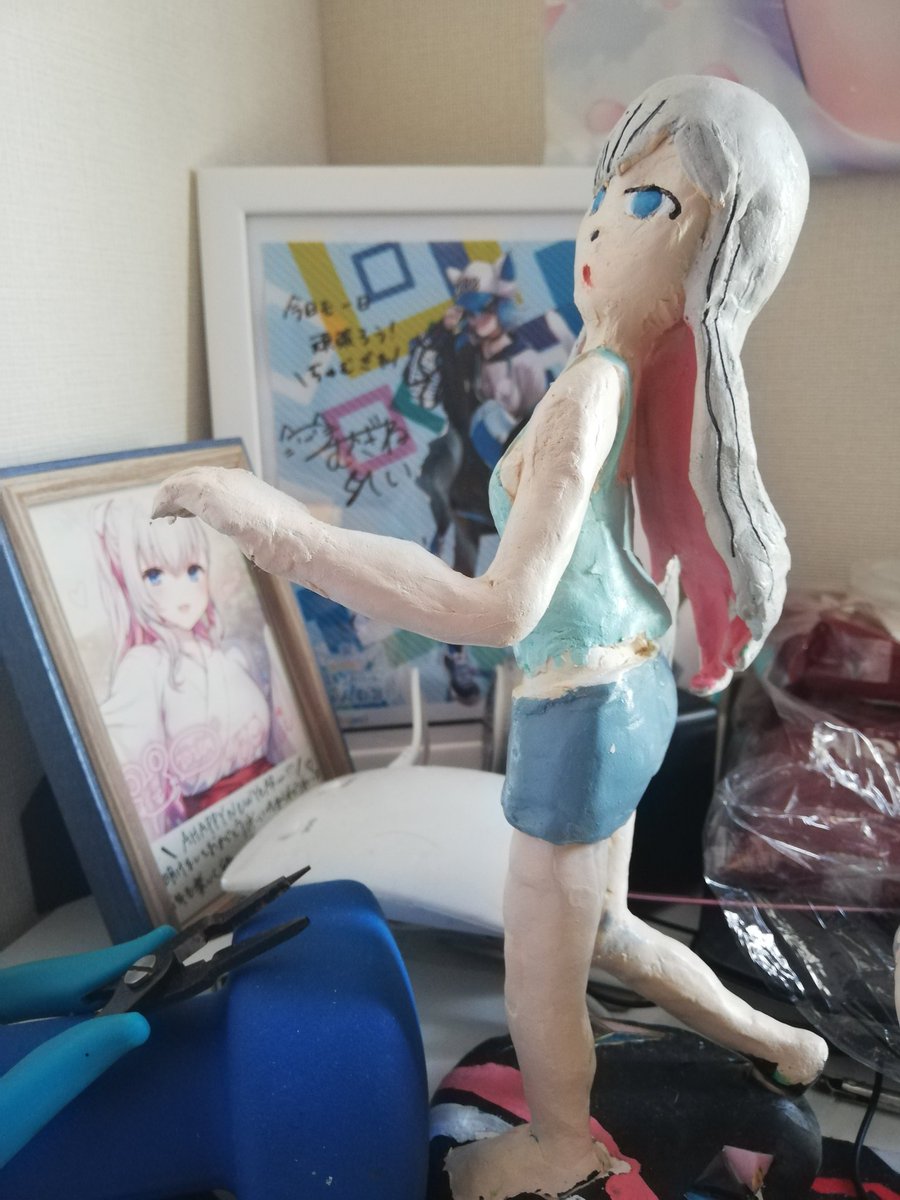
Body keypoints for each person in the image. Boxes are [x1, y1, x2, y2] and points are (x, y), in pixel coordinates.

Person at [153, 75, 829, 1200]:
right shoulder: (621, 378)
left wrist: (281, 534)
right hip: (630, 691)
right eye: (606, 192)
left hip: (583, 713)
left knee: (540, 974)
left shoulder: (590, 393)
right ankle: (787, 1045)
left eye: (651, 203)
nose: (600, 226)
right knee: (604, 932)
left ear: (715, 256)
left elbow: (497, 609)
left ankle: (560, 1144)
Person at [95, 498, 293, 840]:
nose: (182, 592)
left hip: (278, 807)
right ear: (127, 582)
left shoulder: (229, 654)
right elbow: (131, 772)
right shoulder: (144, 668)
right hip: (210, 836)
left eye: (192, 571)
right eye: (154, 575)